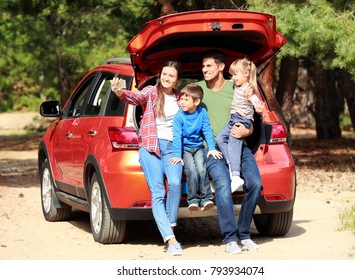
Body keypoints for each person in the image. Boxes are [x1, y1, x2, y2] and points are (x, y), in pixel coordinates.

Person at [110, 61, 184, 256]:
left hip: (172, 149)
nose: (167, 78)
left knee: (175, 184)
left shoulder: (179, 98)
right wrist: (120, 92)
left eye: (171, 76)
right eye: (164, 74)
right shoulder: (152, 91)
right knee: (158, 192)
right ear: (160, 74)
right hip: (151, 147)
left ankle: (170, 226)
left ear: (177, 80)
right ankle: (171, 238)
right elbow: (135, 97)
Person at [196, 50, 262, 255]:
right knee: (224, 186)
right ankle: (231, 238)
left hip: (239, 145)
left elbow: (254, 118)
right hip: (213, 150)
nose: (204, 69)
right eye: (203, 66)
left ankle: (244, 233)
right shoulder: (196, 89)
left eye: (208, 66)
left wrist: (248, 130)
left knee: (255, 184)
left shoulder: (237, 86)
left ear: (221, 67)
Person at [169, 84, 222, 212]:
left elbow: (207, 130)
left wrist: (212, 148)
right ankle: (193, 200)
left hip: (198, 147)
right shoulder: (179, 116)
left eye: (186, 99)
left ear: (196, 101)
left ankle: (206, 199)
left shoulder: (202, 112)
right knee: (191, 170)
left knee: (202, 169)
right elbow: (177, 136)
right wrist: (176, 154)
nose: (182, 101)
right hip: (185, 149)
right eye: (181, 98)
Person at [216, 58, 265, 193]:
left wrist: (258, 107)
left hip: (242, 120)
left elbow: (255, 99)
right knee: (220, 138)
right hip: (233, 119)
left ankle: (236, 176)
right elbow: (229, 81)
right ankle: (232, 165)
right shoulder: (237, 85)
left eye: (236, 74)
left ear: (246, 74)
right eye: (232, 74)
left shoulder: (248, 89)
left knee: (233, 144)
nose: (233, 77)